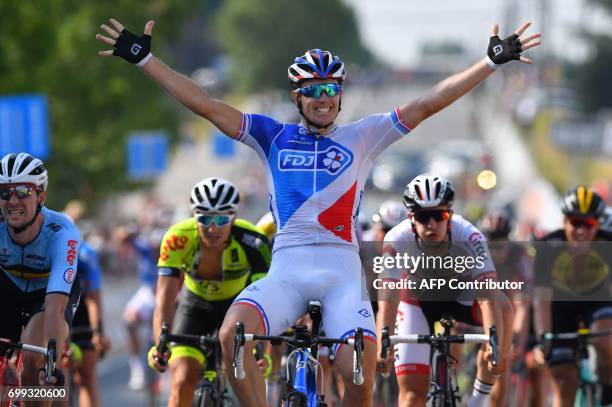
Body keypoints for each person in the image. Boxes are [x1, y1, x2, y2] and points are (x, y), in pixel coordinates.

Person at [96, 18, 540, 405]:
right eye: (313, 91)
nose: (323, 98)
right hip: (285, 272)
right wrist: (145, 61)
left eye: (330, 89)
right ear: (298, 96)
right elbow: (207, 105)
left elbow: (427, 104)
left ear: (340, 95)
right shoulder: (271, 136)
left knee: (360, 375)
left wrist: (489, 64)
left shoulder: (363, 137)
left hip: (340, 275)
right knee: (231, 337)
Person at [376, 174, 513, 407]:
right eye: (423, 217)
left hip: (461, 295)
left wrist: (495, 346)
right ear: (411, 218)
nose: (431, 224)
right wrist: (383, 343)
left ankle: (478, 400)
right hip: (416, 303)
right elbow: (388, 301)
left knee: (503, 307)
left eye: (438, 216)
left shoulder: (470, 235)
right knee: (411, 397)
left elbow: (487, 297)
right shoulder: (396, 238)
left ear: (449, 215)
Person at [147, 177, 272, 407]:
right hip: (194, 307)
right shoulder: (177, 238)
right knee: (183, 378)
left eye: (222, 219)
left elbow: (267, 304)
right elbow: (164, 300)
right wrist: (160, 344)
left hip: (237, 308)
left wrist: (263, 352)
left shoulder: (253, 241)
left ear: (233, 216)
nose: (213, 228)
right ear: (194, 217)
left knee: (244, 377)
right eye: (205, 218)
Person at [0, 152, 81, 392]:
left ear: (41, 196)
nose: (12, 201)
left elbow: (55, 308)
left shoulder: (62, 232)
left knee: (35, 358)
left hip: (47, 293)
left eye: (23, 191)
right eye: (4, 192)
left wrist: (51, 358)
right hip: (8, 285)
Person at [533, 185, 612, 407]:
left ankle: (607, 390)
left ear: (597, 224)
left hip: (596, 302)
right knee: (564, 382)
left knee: (605, 340)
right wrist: (543, 337)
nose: (581, 231)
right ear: (564, 222)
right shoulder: (549, 246)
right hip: (560, 309)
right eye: (575, 223)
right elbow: (541, 298)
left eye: (588, 224)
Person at [479, 210, 544, 407]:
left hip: (512, 312)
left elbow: (522, 305)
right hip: (483, 311)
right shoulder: (477, 253)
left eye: (500, 245)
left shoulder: (519, 256)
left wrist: (515, 339)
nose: (496, 252)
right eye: (491, 245)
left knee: (510, 361)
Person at [70, 240, 111, 407]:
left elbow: (93, 298)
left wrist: (97, 333)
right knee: (56, 383)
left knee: (86, 378)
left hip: (81, 319)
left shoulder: (85, 253)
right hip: (52, 315)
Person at [120, 225, 160, 390]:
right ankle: (137, 369)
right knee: (129, 320)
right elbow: (124, 235)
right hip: (149, 293)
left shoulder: (178, 250)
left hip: (172, 293)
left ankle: (171, 370)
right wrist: (129, 233)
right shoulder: (146, 250)